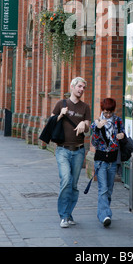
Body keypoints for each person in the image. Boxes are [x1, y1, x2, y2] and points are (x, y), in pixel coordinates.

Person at [51, 77, 90, 228]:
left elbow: (87, 126)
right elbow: (51, 123)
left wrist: (83, 124)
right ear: (72, 87)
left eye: (83, 88)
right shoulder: (61, 103)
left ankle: (68, 214)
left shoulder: (85, 107)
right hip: (62, 150)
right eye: (79, 86)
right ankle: (63, 216)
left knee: (73, 185)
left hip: (79, 151)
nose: (81, 89)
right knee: (66, 180)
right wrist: (60, 114)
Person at [91, 98, 125, 227]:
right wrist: (98, 129)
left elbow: (123, 133)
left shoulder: (117, 121)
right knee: (103, 189)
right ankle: (105, 215)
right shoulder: (97, 123)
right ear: (102, 111)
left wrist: (122, 135)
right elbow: (94, 142)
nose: (108, 115)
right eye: (106, 112)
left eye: (110, 112)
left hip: (112, 160)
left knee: (109, 189)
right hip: (100, 161)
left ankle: (102, 213)